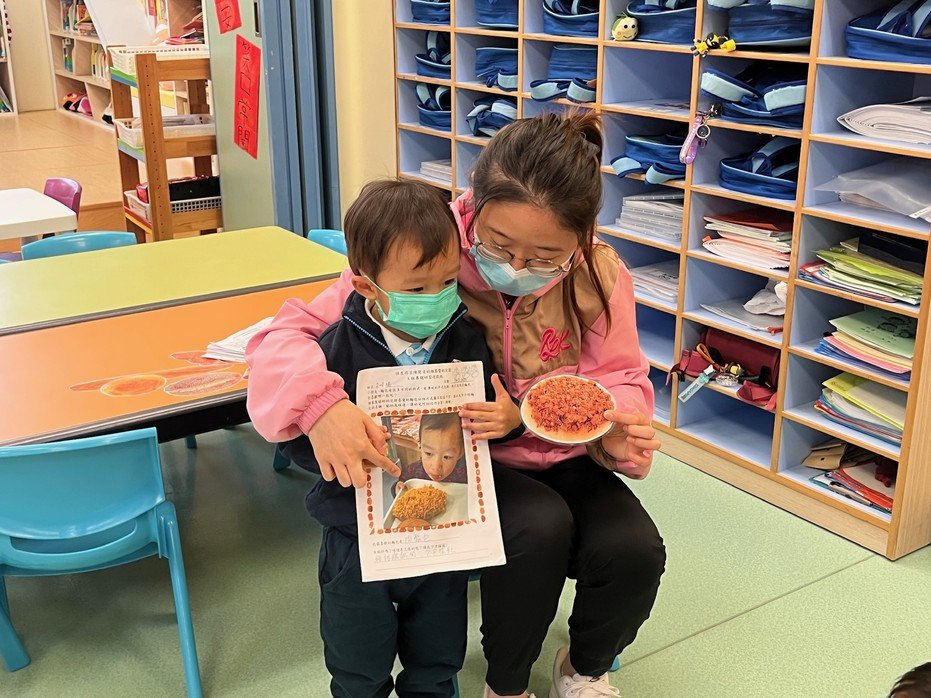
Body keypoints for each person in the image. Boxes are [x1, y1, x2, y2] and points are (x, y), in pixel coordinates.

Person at [246, 111, 665, 698]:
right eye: (499, 245)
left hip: (560, 453)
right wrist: (321, 406)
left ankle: (584, 666)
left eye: (546, 256)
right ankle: (507, 684)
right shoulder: (431, 245)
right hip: (468, 454)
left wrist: (615, 424)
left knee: (634, 551)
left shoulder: (599, 273)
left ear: (582, 238)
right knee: (538, 529)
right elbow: (288, 334)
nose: (516, 268)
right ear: (474, 209)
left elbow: (619, 375)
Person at [271, 179, 522, 698]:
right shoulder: (333, 350)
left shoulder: (465, 338)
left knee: (438, 659)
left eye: (447, 282)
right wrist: (333, 447)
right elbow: (295, 438)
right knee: (357, 664)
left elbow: (480, 434)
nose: (437, 299)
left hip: (441, 539)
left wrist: (508, 420)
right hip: (354, 536)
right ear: (366, 287)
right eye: (416, 290)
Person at [399, 412, 469, 485]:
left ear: (461, 452)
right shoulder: (413, 472)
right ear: (420, 445)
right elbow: (403, 482)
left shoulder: (467, 475)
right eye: (428, 453)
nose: (436, 467)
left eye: (447, 457)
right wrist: (399, 487)